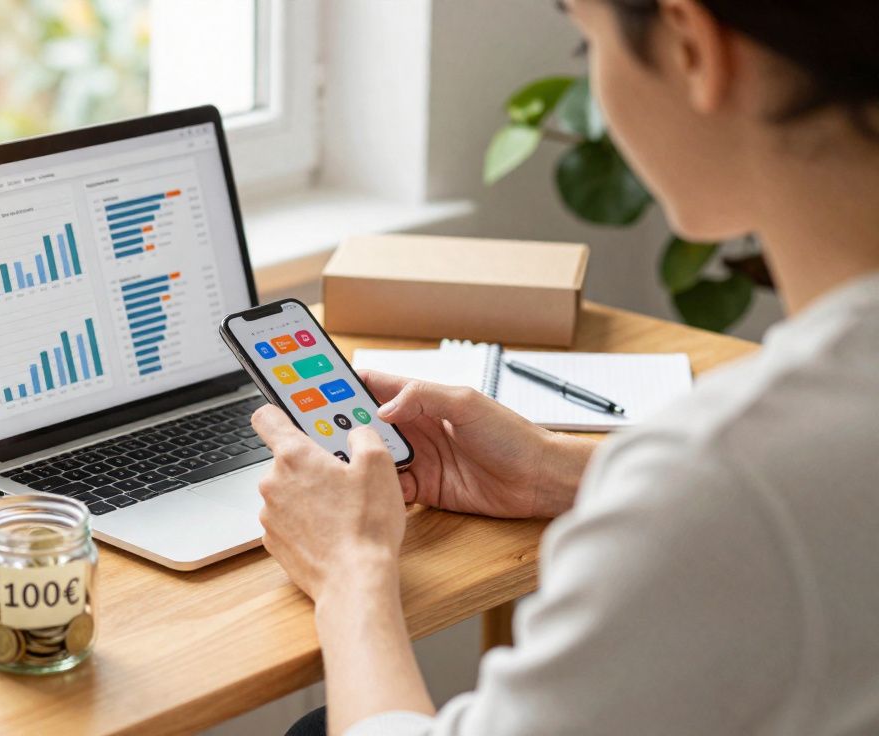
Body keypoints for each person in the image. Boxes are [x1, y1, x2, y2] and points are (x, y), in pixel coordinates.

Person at [252, 0, 879, 733]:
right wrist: (559, 472)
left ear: (691, 47)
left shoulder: (730, 480)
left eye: (588, 47)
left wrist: (349, 572)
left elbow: (747, 502)